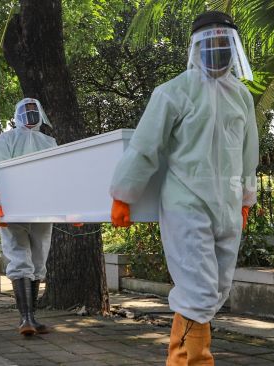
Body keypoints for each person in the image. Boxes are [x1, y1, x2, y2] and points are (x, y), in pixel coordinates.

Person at [109, 11, 258, 365]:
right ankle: (194, 362)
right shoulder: (173, 92)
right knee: (199, 290)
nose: (217, 50)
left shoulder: (241, 96)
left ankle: (181, 358)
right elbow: (145, 147)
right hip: (186, 202)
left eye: (224, 43)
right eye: (210, 43)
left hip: (228, 205)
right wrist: (123, 196)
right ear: (196, 48)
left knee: (217, 291)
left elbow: (248, 155)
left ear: (233, 48)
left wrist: (246, 199)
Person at [0, 98, 57, 336]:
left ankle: (31, 319)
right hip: (12, 209)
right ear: (17, 114)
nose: (30, 114)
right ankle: (25, 318)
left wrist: (69, 207)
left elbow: (60, 175)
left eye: (33, 109)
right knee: (19, 257)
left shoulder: (49, 141)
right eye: (26, 110)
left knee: (38, 260)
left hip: (42, 210)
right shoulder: (6, 139)